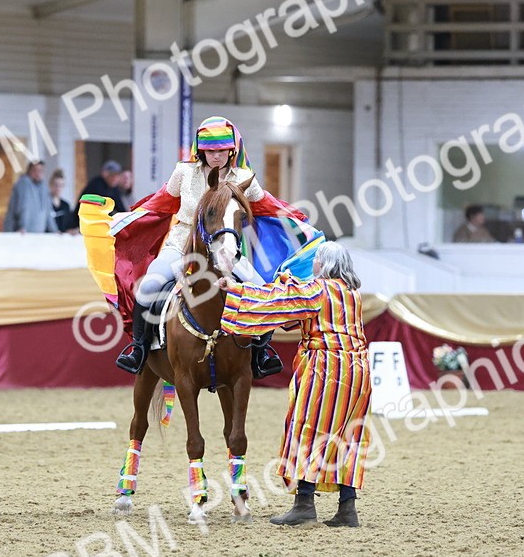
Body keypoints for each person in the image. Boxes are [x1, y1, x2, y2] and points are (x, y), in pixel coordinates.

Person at [218, 241, 372, 527]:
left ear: (325, 264)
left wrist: (236, 290)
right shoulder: (353, 294)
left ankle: (304, 504)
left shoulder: (317, 289)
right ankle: (347, 509)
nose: (313, 264)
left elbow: (278, 302)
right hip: (359, 371)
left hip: (327, 368)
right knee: (348, 436)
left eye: (316, 260)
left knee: (306, 430)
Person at [114, 116, 280, 377]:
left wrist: (299, 223)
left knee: (261, 290)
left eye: (222, 151)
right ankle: (139, 349)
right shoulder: (183, 172)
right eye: (211, 151)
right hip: (181, 245)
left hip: (226, 251)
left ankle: (262, 352)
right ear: (201, 151)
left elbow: (269, 208)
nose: (216, 156)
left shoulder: (245, 178)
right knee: (148, 287)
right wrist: (123, 218)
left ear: (231, 150)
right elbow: (160, 203)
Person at [3, 160, 56, 233]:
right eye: (35, 170)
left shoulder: (44, 188)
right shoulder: (23, 185)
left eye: (40, 171)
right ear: (29, 171)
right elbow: (24, 208)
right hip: (23, 233)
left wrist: (55, 231)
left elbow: (48, 211)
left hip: (38, 233)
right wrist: (22, 227)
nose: (38, 174)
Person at [49, 168, 77, 233]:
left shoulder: (66, 205)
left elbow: (69, 225)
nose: (58, 188)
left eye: (61, 185)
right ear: (51, 184)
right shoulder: (45, 204)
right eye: (56, 185)